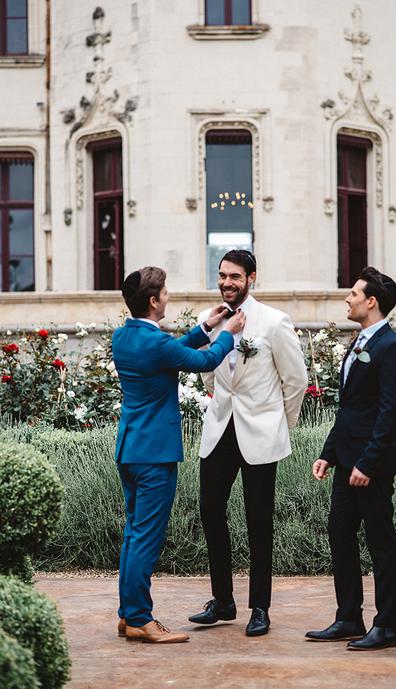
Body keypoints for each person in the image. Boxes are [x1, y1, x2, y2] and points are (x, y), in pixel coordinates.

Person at [112, 265, 245, 644]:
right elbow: (202, 362)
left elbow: (171, 353)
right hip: (154, 454)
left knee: (133, 534)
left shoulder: (124, 337)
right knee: (146, 539)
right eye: (166, 292)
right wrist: (228, 335)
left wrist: (205, 329)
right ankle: (140, 618)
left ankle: (127, 614)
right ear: (154, 301)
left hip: (130, 449)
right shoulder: (155, 344)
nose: (169, 296)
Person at [188, 250, 308, 637]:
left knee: (258, 522)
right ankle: (222, 601)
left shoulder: (274, 322)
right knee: (210, 512)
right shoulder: (209, 321)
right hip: (220, 428)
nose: (226, 283)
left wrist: (280, 425)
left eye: (235, 277)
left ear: (251, 278)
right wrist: (217, 399)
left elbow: (297, 382)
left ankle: (260, 607)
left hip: (261, 434)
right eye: (222, 275)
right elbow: (208, 372)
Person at [306, 266, 396, 650]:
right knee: (339, 534)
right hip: (347, 462)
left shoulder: (391, 347)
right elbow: (349, 409)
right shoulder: (359, 343)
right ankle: (349, 617)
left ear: (372, 301)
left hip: (373, 466)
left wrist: (367, 462)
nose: (347, 299)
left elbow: (388, 413)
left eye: (353, 293)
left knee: (381, 541)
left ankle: (387, 625)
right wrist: (328, 454)